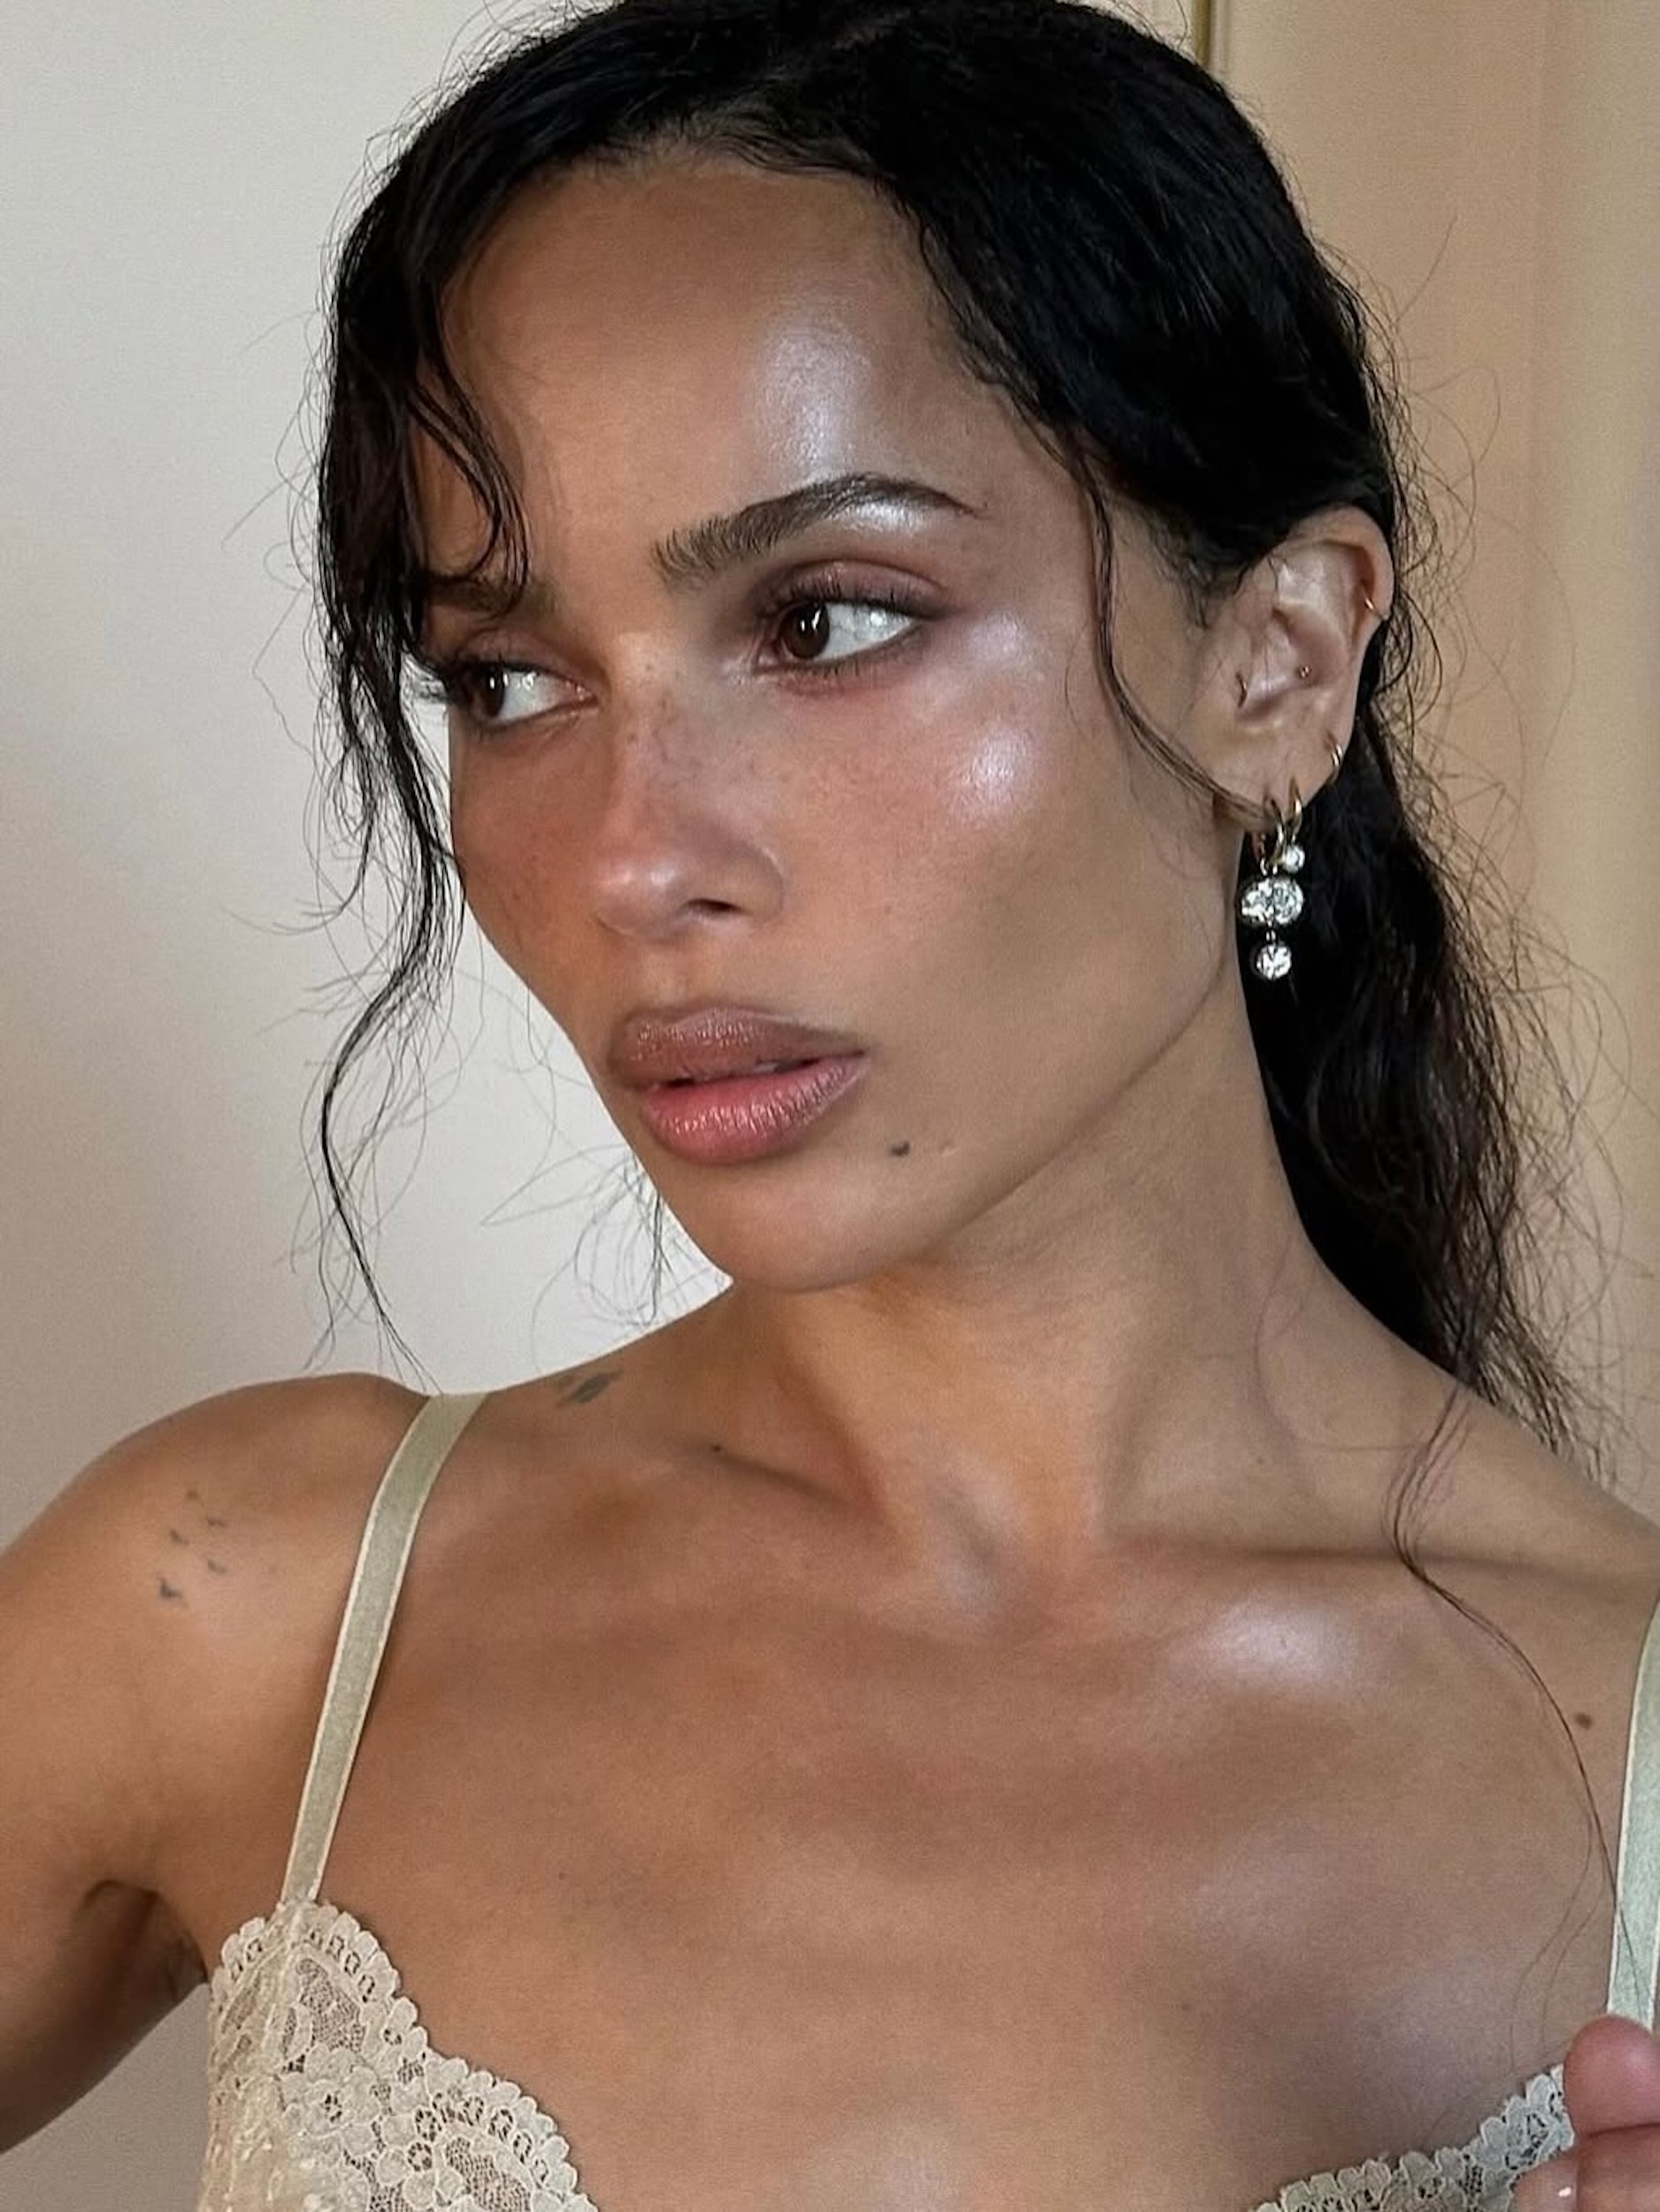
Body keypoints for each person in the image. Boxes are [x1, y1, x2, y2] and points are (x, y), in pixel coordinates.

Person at [2, 0, 1658, 2205]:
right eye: (506, 676)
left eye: (829, 620)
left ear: (1277, 661)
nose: (629, 858)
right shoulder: (245, 1610)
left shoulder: (1626, 1751)